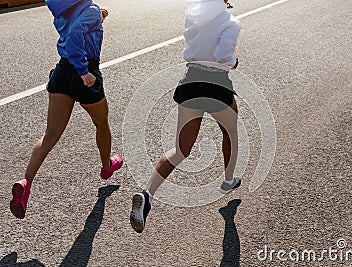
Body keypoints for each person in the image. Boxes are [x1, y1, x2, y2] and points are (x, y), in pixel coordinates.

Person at [130, 0, 241, 233]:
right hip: (217, 84)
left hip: (190, 81)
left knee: (181, 150)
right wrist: (234, 62)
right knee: (230, 132)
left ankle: (147, 194)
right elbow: (223, 56)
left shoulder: (193, 16)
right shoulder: (230, 23)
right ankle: (229, 179)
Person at [9, 0, 123, 219]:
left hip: (61, 73)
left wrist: (98, 18)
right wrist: (83, 72)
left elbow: (74, 27)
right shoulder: (90, 10)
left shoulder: (63, 12)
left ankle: (26, 183)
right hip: (84, 72)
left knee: (50, 134)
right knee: (101, 123)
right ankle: (107, 165)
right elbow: (74, 38)